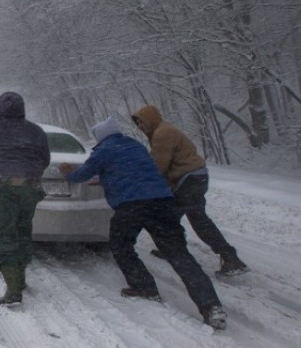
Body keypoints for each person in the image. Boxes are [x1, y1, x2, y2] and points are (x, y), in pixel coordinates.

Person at [59, 117, 228, 329]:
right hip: (162, 203)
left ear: (99, 137)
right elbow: (133, 171)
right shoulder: (135, 146)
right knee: (179, 255)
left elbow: (80, 176)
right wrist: (107, 178)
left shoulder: (103, 151)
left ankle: (144, 286)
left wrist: (68, 173)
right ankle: (211, 307)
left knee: (121, 245)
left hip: (132, 206)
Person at [131, 105, 249, 277]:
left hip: (189, 180)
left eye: (142, 121)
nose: (140, 126)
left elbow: (158, 166)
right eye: (138, 123)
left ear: (151, 119)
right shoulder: (162, 130)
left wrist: (143, 184)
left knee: (197, 220)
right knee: (170, 216)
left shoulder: (162, 133)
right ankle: (171, 248)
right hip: (194, 178)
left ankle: (231, 258)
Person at [0, 92, 50, 306]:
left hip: (3, 187)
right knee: (22, 230)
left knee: (3, 235)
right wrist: (30, 176)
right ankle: (20, 278)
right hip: (31, 187)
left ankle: (13, 288)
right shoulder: (36, 131)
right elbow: (45, 158)